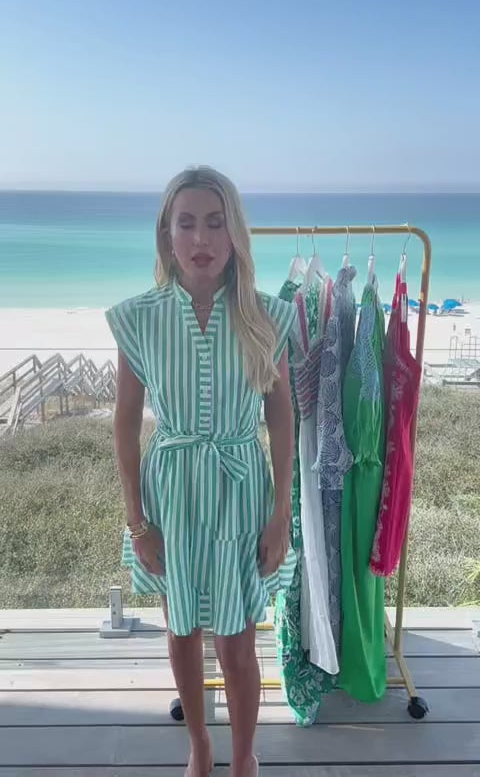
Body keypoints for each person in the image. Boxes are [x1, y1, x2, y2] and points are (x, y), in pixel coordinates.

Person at [106, 166, 297, 777]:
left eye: (215, 222)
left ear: (235, 233)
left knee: (239, 638)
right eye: (185, 223)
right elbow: (126, 422)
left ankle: (244, 757)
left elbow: (282, 419)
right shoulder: (140, 318)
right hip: (173, 494)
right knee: (182, 627)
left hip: (241, 489)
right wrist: (138, 522)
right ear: (166, 236)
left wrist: (280, 517)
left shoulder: (267, 316)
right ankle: (201, 747)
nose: (200, 238)